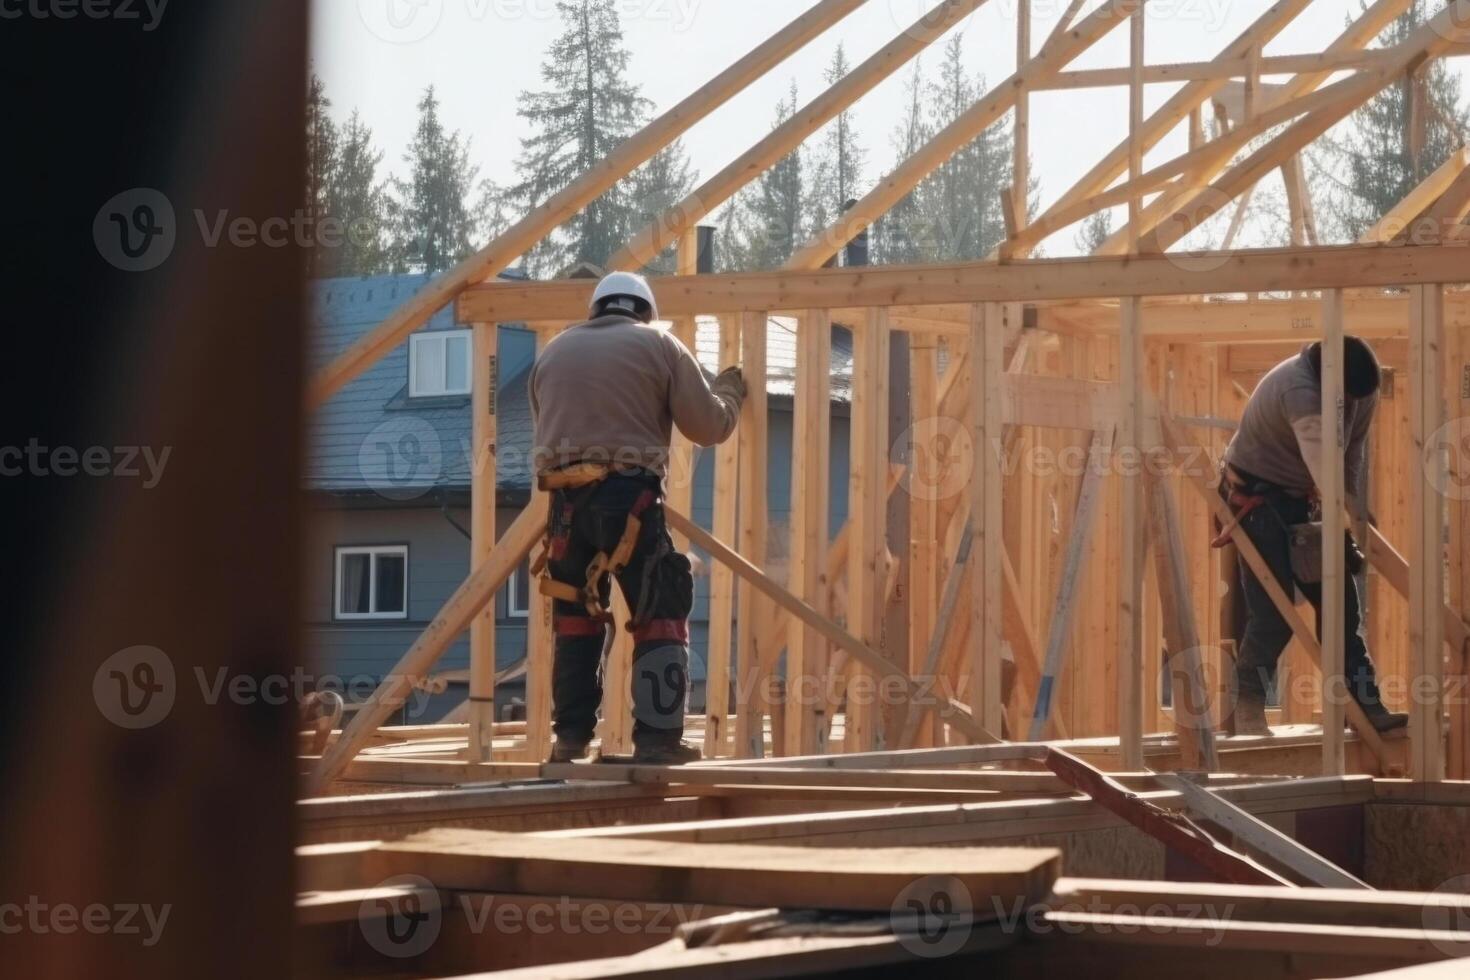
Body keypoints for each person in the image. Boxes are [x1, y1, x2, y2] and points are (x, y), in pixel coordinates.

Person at [528, 271, 747, 764]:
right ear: (644, 311)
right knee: (660, 607)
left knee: (575, 614)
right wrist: (730, 395)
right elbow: (707, 426)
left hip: (564, 506)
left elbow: (545, 423)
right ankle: (657, 739)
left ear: (596, 310)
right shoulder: (660, 344)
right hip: (628, 497)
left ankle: (569, 739)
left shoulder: (554, 352)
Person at [1220, 336, 1407, 737]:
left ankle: (1365, 705)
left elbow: (1350, 452)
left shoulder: (1361, 391)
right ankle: (1248, 707)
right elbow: (1322, 465)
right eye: (1349, 398)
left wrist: (1355, 508)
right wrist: (1341, 510)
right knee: (1273, 614)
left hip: (1303, 499)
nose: (1356, 405)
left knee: (1341, 607)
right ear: (1328, 382)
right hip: (1257, 499)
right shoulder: (1297, 388)